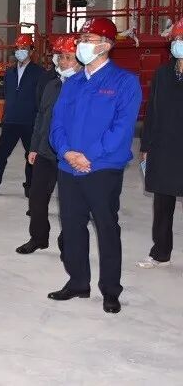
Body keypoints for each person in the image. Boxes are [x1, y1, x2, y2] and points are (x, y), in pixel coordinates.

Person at [48, 17, 141, 314]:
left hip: (102, 168)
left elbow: (122, 128)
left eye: (88, 39)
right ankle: (78, 282)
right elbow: (57, 123)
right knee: (72, 227)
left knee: (106, 228)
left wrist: (89, 156)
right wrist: (66, 152)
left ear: (106, 45)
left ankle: (110, 290)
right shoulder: (73, 82)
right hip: (68, 167)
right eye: (81, 39)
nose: (81, 44)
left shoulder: (124, 82)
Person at [16, 36, 81, 255]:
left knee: (70, 203)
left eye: (68, 57)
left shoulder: (84, 88)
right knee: (37, 198)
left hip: (70, 154)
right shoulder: (51, 85)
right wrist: (34, 147)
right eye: (60, 57)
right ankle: (38, 237)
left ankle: (68, 241)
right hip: (45, 151)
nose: (63, 62)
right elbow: (41, 117)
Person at [136, 18, 183, 269]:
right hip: (164, 147)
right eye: (176, 39)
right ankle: (160, 252)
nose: (178, 43)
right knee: (163, 204)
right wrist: (145, 146)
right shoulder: (163, 74)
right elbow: (151, 113)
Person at [0, 34, 43, 198]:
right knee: (1, 155)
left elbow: (41, 98)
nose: (20, 51)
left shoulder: (39, 73)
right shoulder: (9, 73)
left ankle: (30, 187)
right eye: (18, 48)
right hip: (10, 120)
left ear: (31, 51)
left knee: (31, 156)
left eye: (24, 48)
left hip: (29, 121)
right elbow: (8, 94)